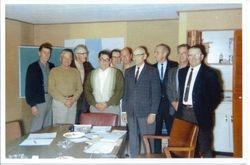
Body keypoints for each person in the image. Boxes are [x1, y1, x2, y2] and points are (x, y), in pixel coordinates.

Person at [176, 45, 222, 158]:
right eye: (190, 55)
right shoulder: (182, 72)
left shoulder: (210, 73)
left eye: (196, 55)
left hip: (201, 115)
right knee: (186, 147)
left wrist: (205, 109)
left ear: (201, 56)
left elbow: (216, 97)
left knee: (204, 147)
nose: (193, 57)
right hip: (184, 114)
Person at [122, 46, 161, 157]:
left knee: (148, 140)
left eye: (138, 55)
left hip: (146, 113)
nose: (135, 57)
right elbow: (126, 93)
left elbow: (156, 94)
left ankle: (150, 160)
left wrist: (153, 113)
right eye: (134, 55)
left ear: (144, 56)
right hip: (131, 112)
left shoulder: (152, 71)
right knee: (133, 139)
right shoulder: (128, 72)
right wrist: (124, 111)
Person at [84, 50, 124, 122]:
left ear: (110, 61)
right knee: (95, 131)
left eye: (107, 60)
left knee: (111, 131)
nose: (104, 62)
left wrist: (107, 104)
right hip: (95, 108)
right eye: (102, 59)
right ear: (99, 60)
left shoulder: (117, 73)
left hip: (111, 108)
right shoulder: (92, 73)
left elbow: (119, 91)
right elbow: (87, 90)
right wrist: (95, 104)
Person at [152, 43, 178, 153]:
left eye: (157, 52)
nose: (155, 54)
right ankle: (157, 154)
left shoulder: (174, 65)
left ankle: (172, 155)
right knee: (156, 131)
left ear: (165, 54)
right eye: (155, 52)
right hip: (156, 105)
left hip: (170, 104)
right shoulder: (151, 68)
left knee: (172, 131)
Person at [25, 42, 55, 132]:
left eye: (48, 53)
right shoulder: (32, 67)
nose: (46, 55)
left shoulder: (52, 66)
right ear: (39, 53)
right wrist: (32, 105)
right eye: (44, 52)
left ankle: (46, 145)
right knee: (37, 126)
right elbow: (28, 87)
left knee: (48, 126)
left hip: (51, 99)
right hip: (39, 100)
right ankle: (32, 145)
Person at [48, 49, 83, 124]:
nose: (67, 60)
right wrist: (64, 100)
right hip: (59, 103)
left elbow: (80, 89)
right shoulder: (54, 71)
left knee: (70, 128)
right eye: (65, 57)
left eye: (69, 58)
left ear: (72, 59)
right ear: (61, 58)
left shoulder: (75, 71)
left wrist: (72, 100)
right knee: (59, 129)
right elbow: (51, 89)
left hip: (72, 104)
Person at [70, 44, 94, 124]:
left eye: (86, 53)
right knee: (73, 122)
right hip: (73, 99)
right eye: (83, 53)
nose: (86, 55)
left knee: (84, 123)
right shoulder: (70, 66)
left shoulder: (88, 65)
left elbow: (95, 76)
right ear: (76, 55)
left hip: (84, 100)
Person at [167, 44, 190, 117]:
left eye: (184, 53)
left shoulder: (191, 71)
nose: (181, 55)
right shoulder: (172, 71)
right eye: (179, 53)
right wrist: (173, 102)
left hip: (187, 109)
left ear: (188, 54)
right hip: (173, 108)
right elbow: (168, 88)